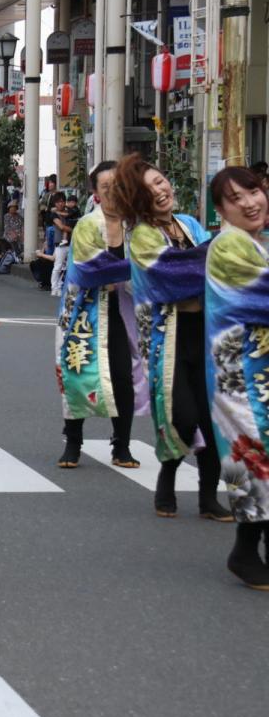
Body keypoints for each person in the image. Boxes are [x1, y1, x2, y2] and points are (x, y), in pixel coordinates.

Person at [115, 153, 232, 522]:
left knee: (214, 420)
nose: (161, 191)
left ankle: (209, 498)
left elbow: (217, 270)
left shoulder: (190, 225)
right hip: (169, 339)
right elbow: (174, 276)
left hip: (207, 334)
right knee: (182, 416)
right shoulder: (144, 237)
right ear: (138, 199)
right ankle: (167, 476)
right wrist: (224, 243)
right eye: (150, 189)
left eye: (161, 181)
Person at [54, 161, 145, 470]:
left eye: (119, 187)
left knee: (123, 376)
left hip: (121, 312)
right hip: (86, 312)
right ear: (95, 193)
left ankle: (122, 445)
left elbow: (146, 272)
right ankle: (73, 442)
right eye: (107, 188)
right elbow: (91, 270)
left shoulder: (137, 227)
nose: (114, 193)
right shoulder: (88, 226)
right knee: (78, 375)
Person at [203, 166, 269, 589]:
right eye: (236, 199)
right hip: (238, 377)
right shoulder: (229, 245)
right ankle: (245, 554)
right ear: (222, 210)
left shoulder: (255, 242)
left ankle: (246, 551)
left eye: (254, 192)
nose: (249, 202)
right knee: (254, 461)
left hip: (258, 371)